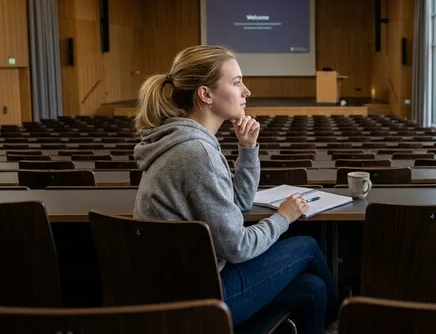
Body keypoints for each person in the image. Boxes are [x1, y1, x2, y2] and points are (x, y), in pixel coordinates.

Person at [132, 45, 338, 333]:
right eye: (237, 82)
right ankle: (346, 321)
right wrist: (283, 217)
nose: (247, 92)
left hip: (179, 284)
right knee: (306, 245)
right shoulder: (196, 152)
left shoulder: (186, 141)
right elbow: (237, 247)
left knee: (313, 288)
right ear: (206, 94)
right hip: (194, 297)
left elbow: (237, 206)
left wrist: (248, 148)